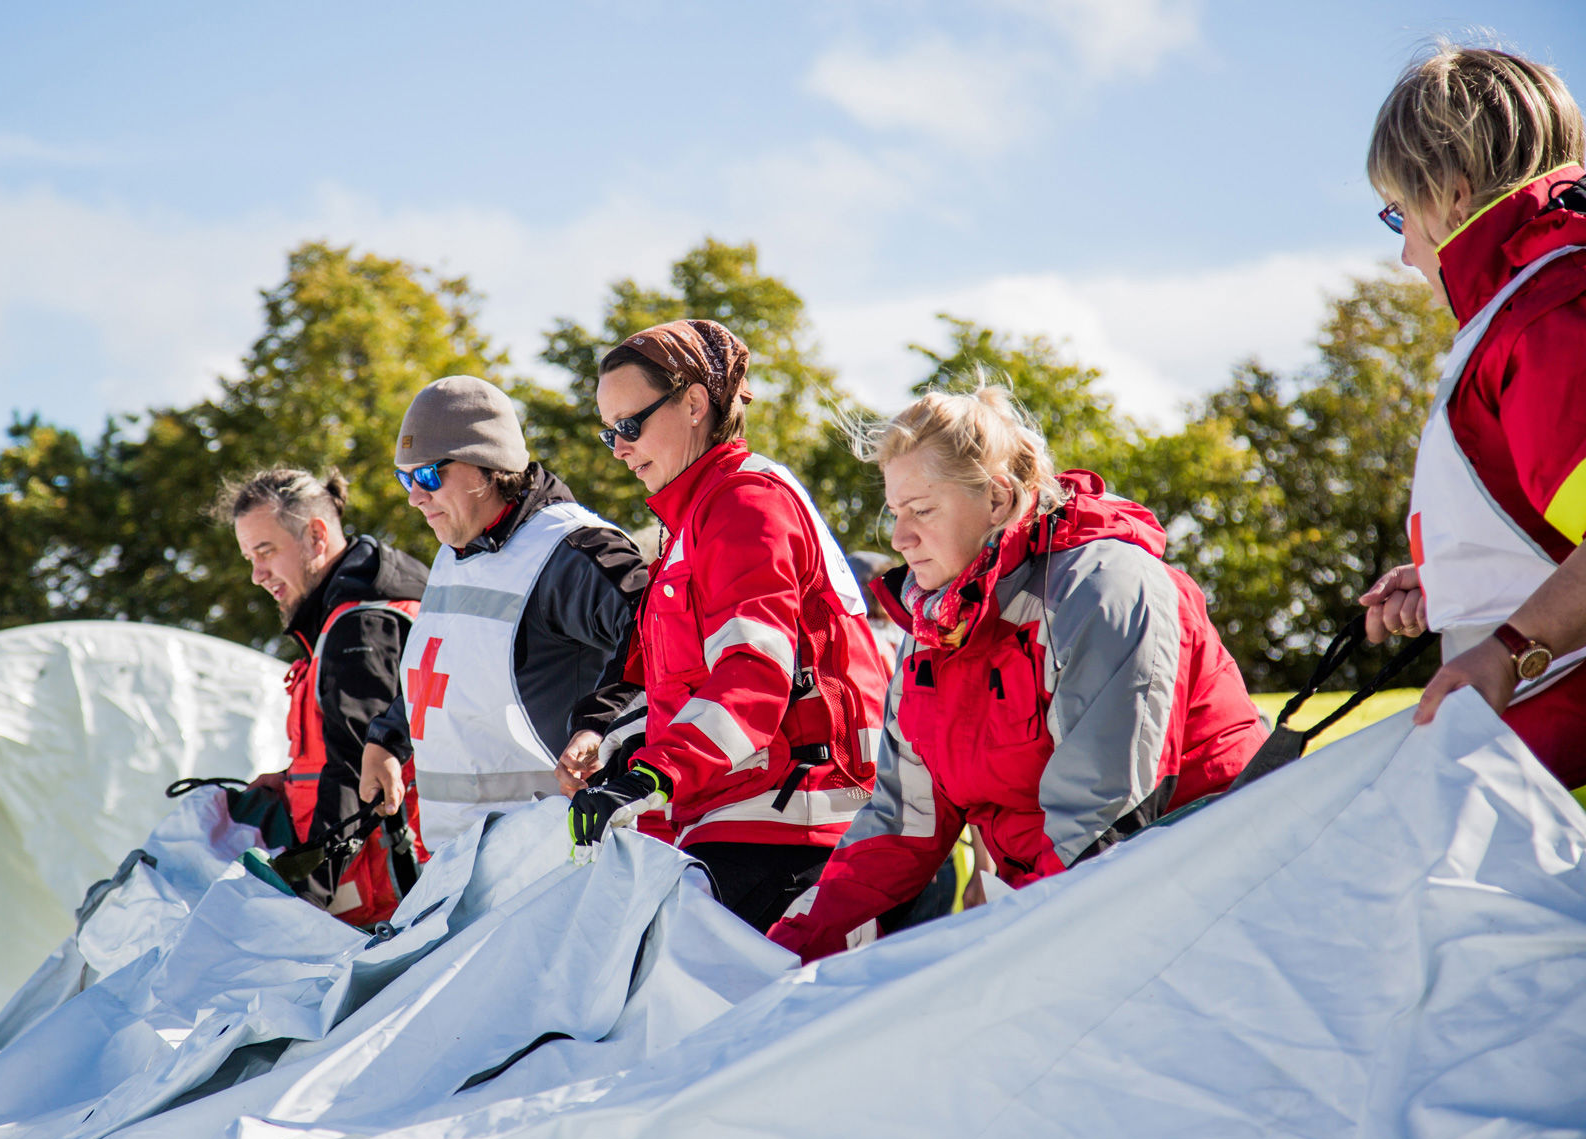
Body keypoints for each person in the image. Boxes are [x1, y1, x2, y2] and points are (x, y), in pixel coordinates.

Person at [767, 383, 1267, 962]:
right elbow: (902, 824)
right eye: (896, 513)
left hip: (1212, 902)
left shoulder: (1102, 590)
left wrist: (1004, 956)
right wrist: (785, 953)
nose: (900, 539)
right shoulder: (937, 627)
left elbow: (1103, 820)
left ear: (1000, 500)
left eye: (923, 510)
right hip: (1060, 913)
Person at [562, 319, 891, 932]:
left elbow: (753, 676)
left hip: (791, 827)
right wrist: (614, 751)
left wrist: (652, 774)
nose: (619, 449)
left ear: (693, 404)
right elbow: (681, 688)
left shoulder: (743, 505)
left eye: (630, 426)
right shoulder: (693, 520)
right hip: (737, 815)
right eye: (609, 433)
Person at [1355, 44, 1586, 787]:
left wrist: (1512, 648)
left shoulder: (1546, 315)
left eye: (1398, 214)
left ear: (1453, 197)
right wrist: (1450, 576)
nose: (1404, 256)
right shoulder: (1529, 307)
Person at [359, 376, 648, 841]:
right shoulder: (456, 547)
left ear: (486, 465)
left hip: (554, 859)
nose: (415, 496)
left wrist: (599, 727)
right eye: (405, 478)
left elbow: (661, 636)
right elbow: (446, 670)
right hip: (458, 864)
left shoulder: (571, 550)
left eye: (429, 475)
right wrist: (388, 736)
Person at [213, 467, 430, 926]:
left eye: (265, 552)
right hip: (380, 885)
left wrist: (302, 905)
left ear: (315, 536)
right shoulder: (353, 613)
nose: (256, 575)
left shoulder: (361, 626)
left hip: (387, 901)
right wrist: (292, 779)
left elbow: (355, 769)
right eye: (249, 558)